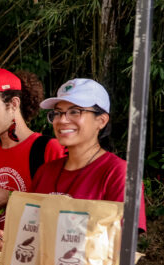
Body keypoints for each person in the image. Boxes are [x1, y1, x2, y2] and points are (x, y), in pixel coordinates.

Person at [28, 78, 146, 231]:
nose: (62, 120)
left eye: (75, 112)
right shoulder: (45, 172)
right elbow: (30, 229)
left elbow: (124, 243)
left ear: (101, 121)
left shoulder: (119, 173)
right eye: (57, 113)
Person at [0, 68, 64, 234]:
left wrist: (10, 197)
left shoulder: (46, 149)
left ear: (14, 104)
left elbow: (62, 209)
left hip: (33, 252)